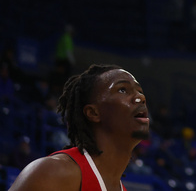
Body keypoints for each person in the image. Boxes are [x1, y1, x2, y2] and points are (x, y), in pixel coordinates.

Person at [9, 63, 150, 191]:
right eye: (123, 90)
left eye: (140, 91)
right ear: (93, 113)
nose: (140, 97)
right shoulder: (54, 173)